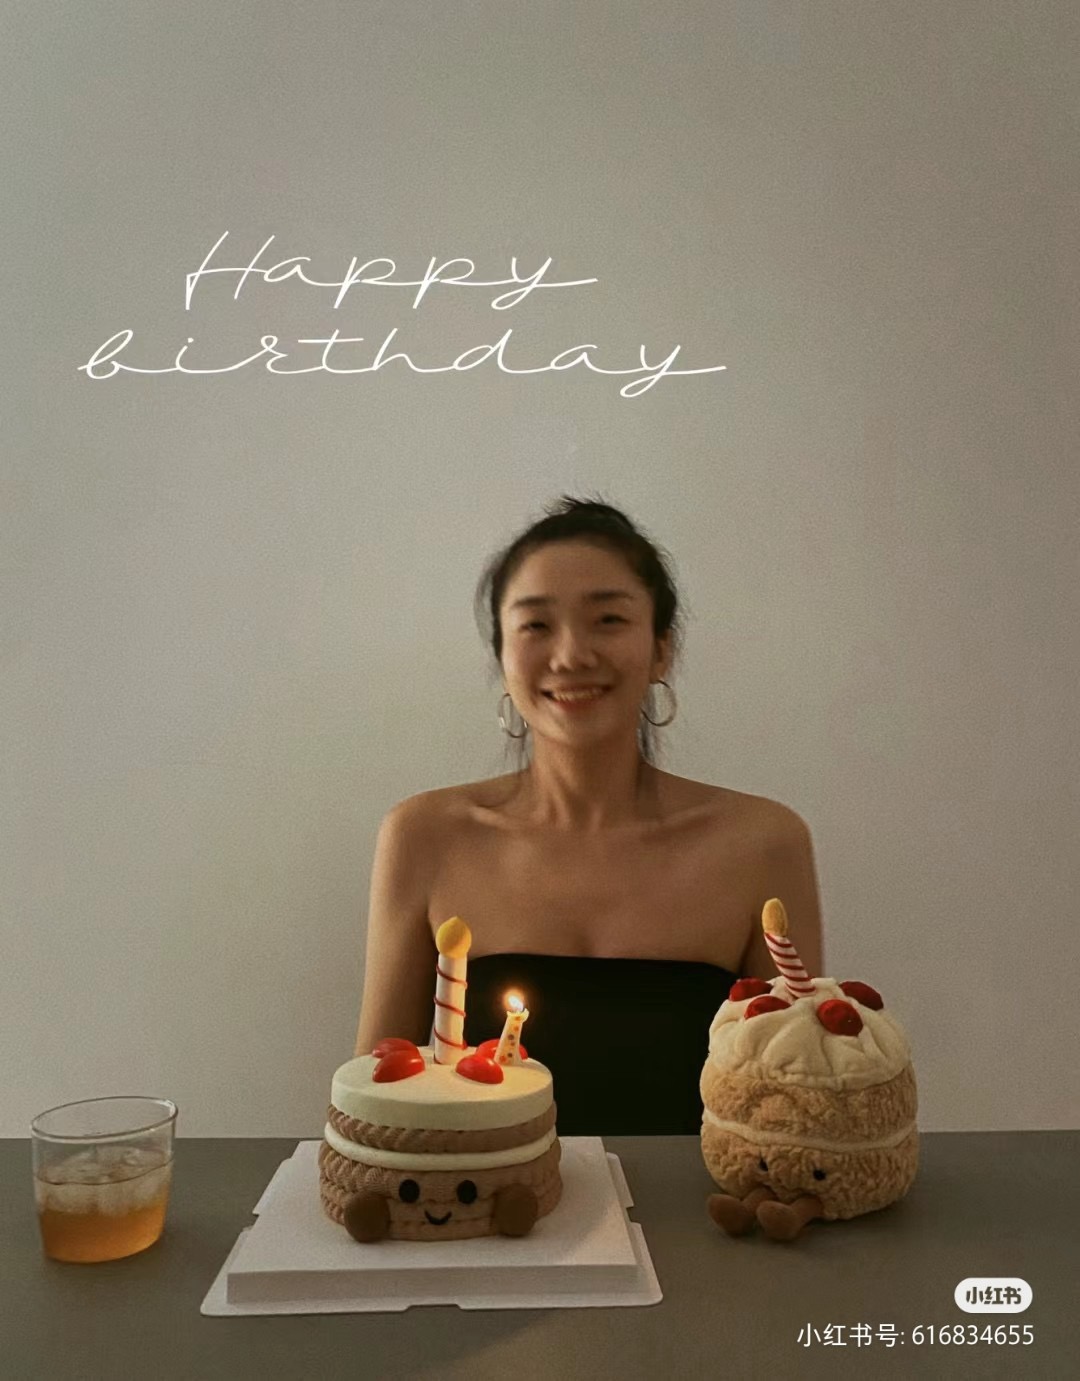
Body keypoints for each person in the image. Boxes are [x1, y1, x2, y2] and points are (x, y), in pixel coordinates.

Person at [353, 497, 824, 1133]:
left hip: (701, 1200)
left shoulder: (762, 844)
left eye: (608, 619)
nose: (571, 654)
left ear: (661, 649)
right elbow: (374, 1101)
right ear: (502, 656)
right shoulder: (425, 835)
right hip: (478, 1197)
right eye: (536, 625)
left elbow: (803, 1102)